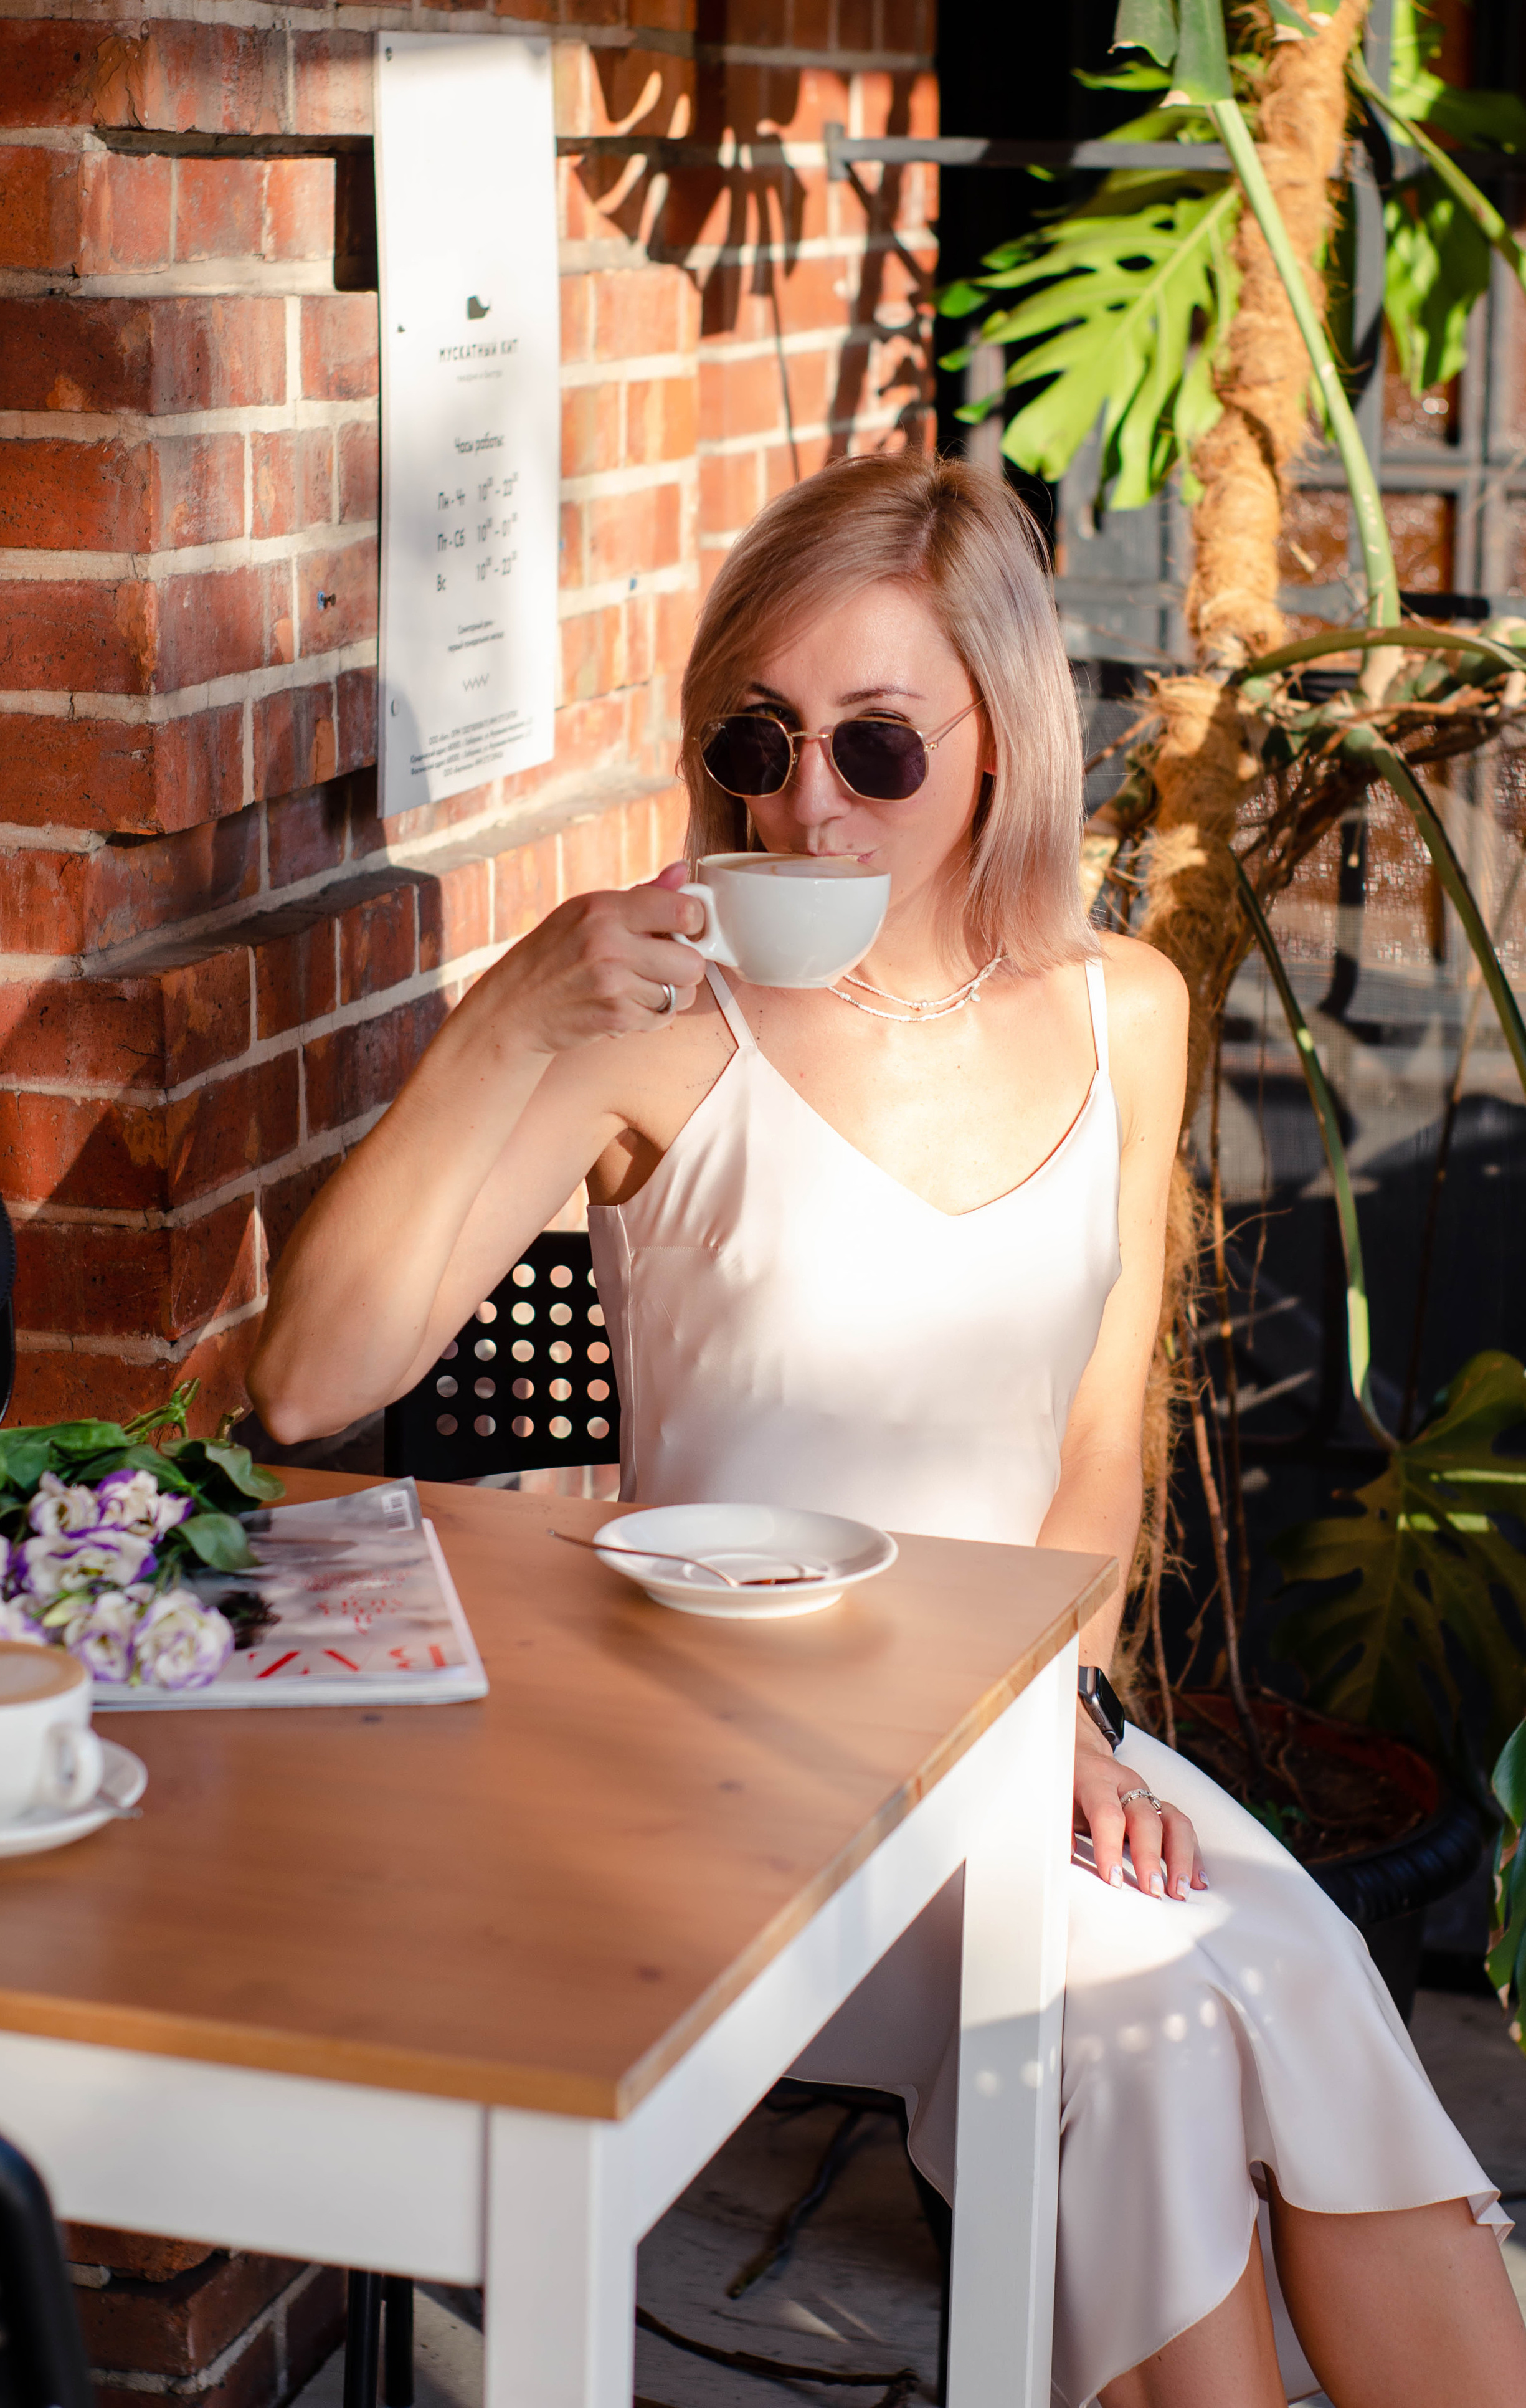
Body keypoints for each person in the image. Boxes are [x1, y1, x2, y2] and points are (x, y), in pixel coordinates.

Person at [249, 452, 1526, 2407]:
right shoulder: (659, 1029)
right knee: (1160, 2028)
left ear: (1002, 740)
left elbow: (1094, 1445)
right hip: (724, 1798)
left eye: (872, 747)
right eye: (755, 741)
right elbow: (311, 1381)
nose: (802, 803)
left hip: (1009, 1748)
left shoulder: (1129, 1009)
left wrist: (1075, 1726)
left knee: (1265, 1999)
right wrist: (516, 1008)